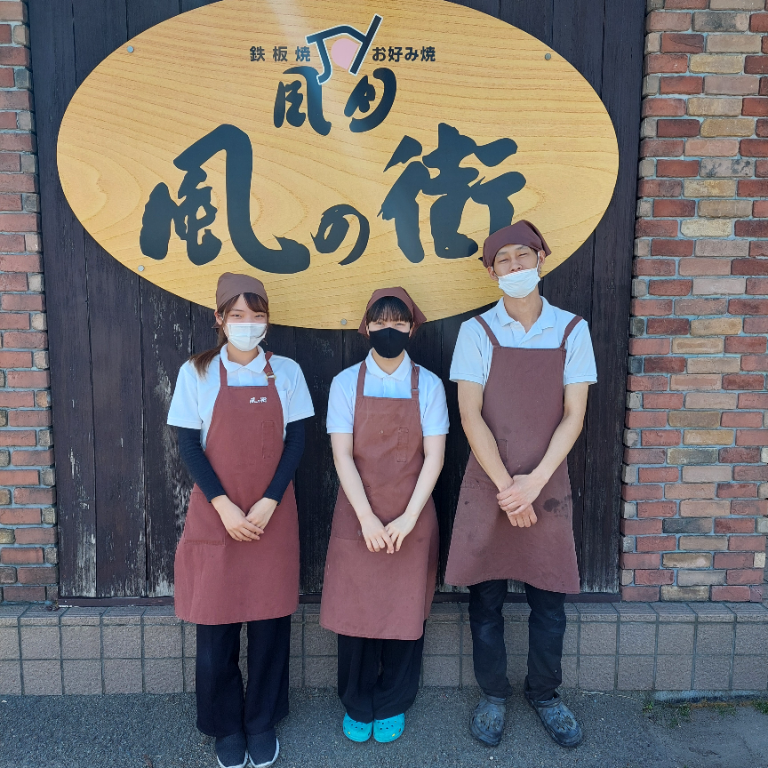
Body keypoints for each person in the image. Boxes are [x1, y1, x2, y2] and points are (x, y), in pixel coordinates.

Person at [445, 221, 597, 749]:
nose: (514, 267)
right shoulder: (477, 332)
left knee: (548, 600)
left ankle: (546, 694)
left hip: (547, 484)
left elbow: (574, 415)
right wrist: (508, 486)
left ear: (541, 259)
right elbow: (470, 415)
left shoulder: (572, 330)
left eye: (522, 256)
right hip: (489, 483)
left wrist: (533, 483)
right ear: (491, 273)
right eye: (502, 261)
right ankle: (492, 695)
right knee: (485, 599)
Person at [168, 273, 314, 768]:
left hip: (273, 514)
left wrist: (271, 500)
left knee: (271, 623)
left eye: (257, 316)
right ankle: (225, 724)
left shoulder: (288, 372)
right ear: (219, 319)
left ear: (267, 320)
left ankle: (261, 720)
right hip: (217, 516)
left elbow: (295, 442)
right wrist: (225, 506)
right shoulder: (198, 372)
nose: (248, 325)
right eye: (237, 316)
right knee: (217, 625)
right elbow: (189, 444)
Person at [320, 287, 449, 744]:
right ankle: (357, 702)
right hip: (358, 515)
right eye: (380, 323)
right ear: (366, 328)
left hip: (412, 517)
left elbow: (434, 457)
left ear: (412, 328)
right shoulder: (345, 384)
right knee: (355, 614)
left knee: (404, 614)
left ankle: (393, 701)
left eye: (398, 323)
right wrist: (368, 519)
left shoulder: (429, 385)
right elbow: (342, 456)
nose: (388, 331)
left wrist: (409, 518)